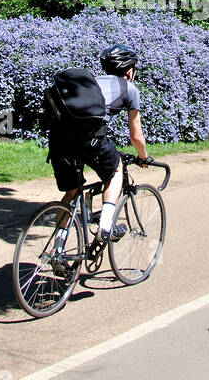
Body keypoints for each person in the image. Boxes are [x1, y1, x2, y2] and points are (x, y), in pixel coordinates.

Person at [47, 44, 150, 242]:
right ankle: (105, 227)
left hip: (59, 141)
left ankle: (56, 250)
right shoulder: (129, 88)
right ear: (129, 70)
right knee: (116, 169)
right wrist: (143, 156)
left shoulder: (90, 83)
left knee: (73, 191)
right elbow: (136, 137)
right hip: (90, 140)